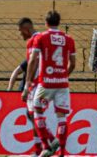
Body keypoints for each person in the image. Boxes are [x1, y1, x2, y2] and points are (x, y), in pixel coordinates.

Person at [23, 11, 76, 157]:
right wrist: (63, 75)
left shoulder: (41, 37)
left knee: (36, 111)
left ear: (46, 23)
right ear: (59, 22)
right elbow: (73, 64)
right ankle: (62, 153)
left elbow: (33, 60)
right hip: (62, 84)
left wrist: (28, 82)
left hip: (45, 83)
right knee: (62, 118)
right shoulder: (69, 39)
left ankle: (46, 146)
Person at [7, 18, 43, 155]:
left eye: (20, 31)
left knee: (34, 115)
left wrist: (27, 86)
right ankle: (40, 148)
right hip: (41, 84)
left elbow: (33, 62)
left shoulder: (34, 41)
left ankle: (48, 143)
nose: (20, 34)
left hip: (36, 85)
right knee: (32, 115)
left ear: (26, 29)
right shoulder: (40, 39)